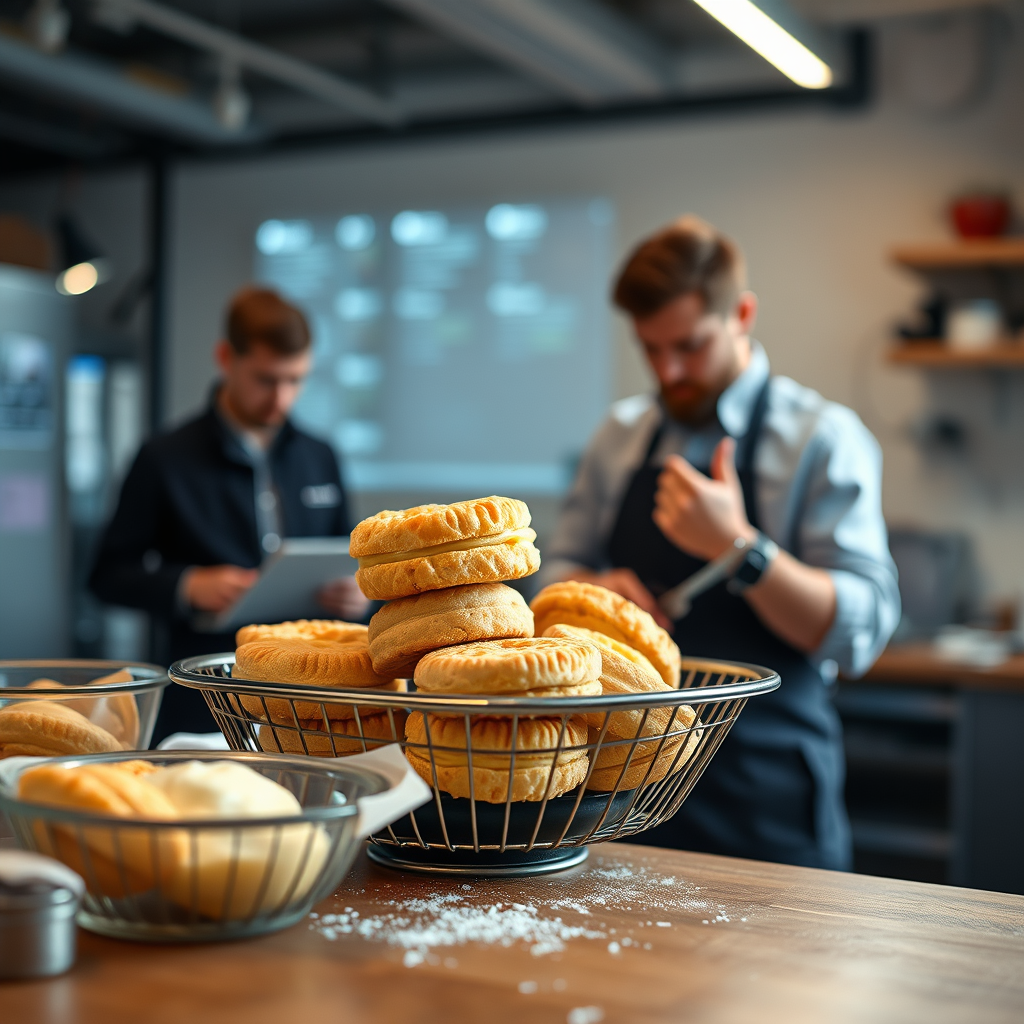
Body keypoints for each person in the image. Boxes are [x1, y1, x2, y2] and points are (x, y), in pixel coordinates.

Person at [541, 216, 900, 870]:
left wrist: (740, 548)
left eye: (689, 345)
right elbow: (558, 570)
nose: (669, 370)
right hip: (623, 794)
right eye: (649, 349)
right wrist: (593, 592)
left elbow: (861, 632)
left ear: (741, 313)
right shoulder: (619, 435)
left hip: (768, 797)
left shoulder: (821, 439)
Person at [90, 286, 369, 742]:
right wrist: (187, 585)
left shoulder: (321, 456)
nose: (281, 399)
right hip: (207, 698)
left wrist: (362, 595)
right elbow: (106, 575)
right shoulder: (164, 457)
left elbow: (350, 559)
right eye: (266, 379)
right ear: (226, 359)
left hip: (313, 698)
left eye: (295, 380)